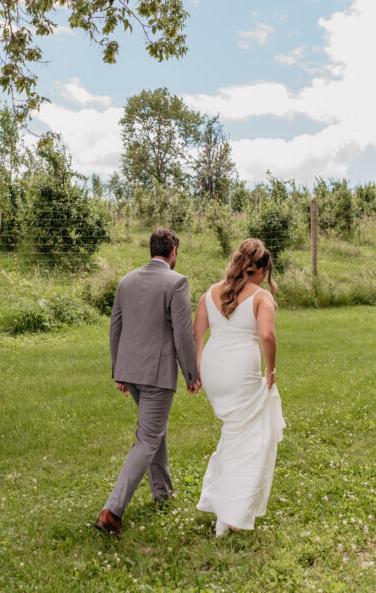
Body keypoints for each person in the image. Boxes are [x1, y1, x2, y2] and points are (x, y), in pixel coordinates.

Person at [95, 227, 201, 536]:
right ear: (173, 253)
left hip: (132, 372)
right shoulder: (176, 281)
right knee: (148, 439)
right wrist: (191, 374)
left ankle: (162, 494)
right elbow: (182, 332)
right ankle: (112, 511)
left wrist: (120, 371)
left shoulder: (127, 280)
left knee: (155, 433)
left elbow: (115, 327)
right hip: (156, 374)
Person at [193, 238, 285, 534]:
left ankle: (223, 507)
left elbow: (197, 333)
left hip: (213, 369)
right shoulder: (260, 297)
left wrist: (198, 368)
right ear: (259, 270)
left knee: (235, 433)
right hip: (240, 372)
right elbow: (268, 336)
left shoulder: (209, 293)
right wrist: (270, 370)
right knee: (253, 441)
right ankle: (230, 514)